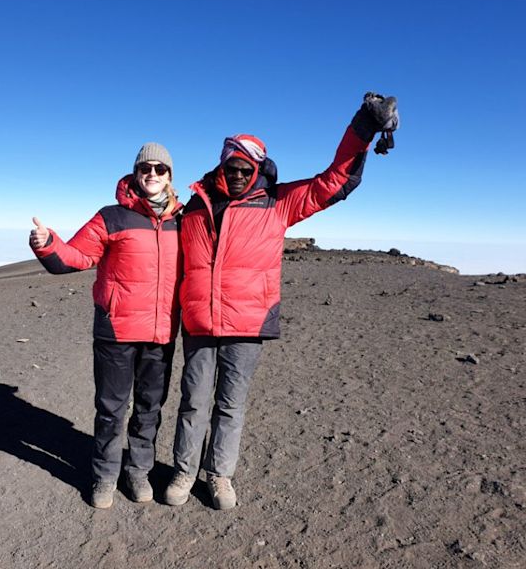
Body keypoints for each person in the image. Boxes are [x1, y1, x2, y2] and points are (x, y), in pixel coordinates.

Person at [164, 93, 399, 510]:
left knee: (230, 404)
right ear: (222, 164)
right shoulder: (194, 210)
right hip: (199, 322)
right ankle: (184, 471)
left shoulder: (277, 203)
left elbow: (334, 182)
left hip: (248, 322)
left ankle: (219, 475)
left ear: (256, 168)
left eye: (244, 168)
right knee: (193, 401)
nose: (237, 174)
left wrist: (364, 127)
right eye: (231, 166)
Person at [29, 143, 182, 509]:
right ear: (134, 173)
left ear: (170, 176)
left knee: (150, 407)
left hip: (161, 331)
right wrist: (48, 244)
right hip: (116, 330)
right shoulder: (112, 216)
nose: (152, 175)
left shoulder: (184, 218)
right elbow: (79, 255)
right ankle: (105, 476)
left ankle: (138, 472)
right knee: (112, 408)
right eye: (145, 168)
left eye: (160, 169)